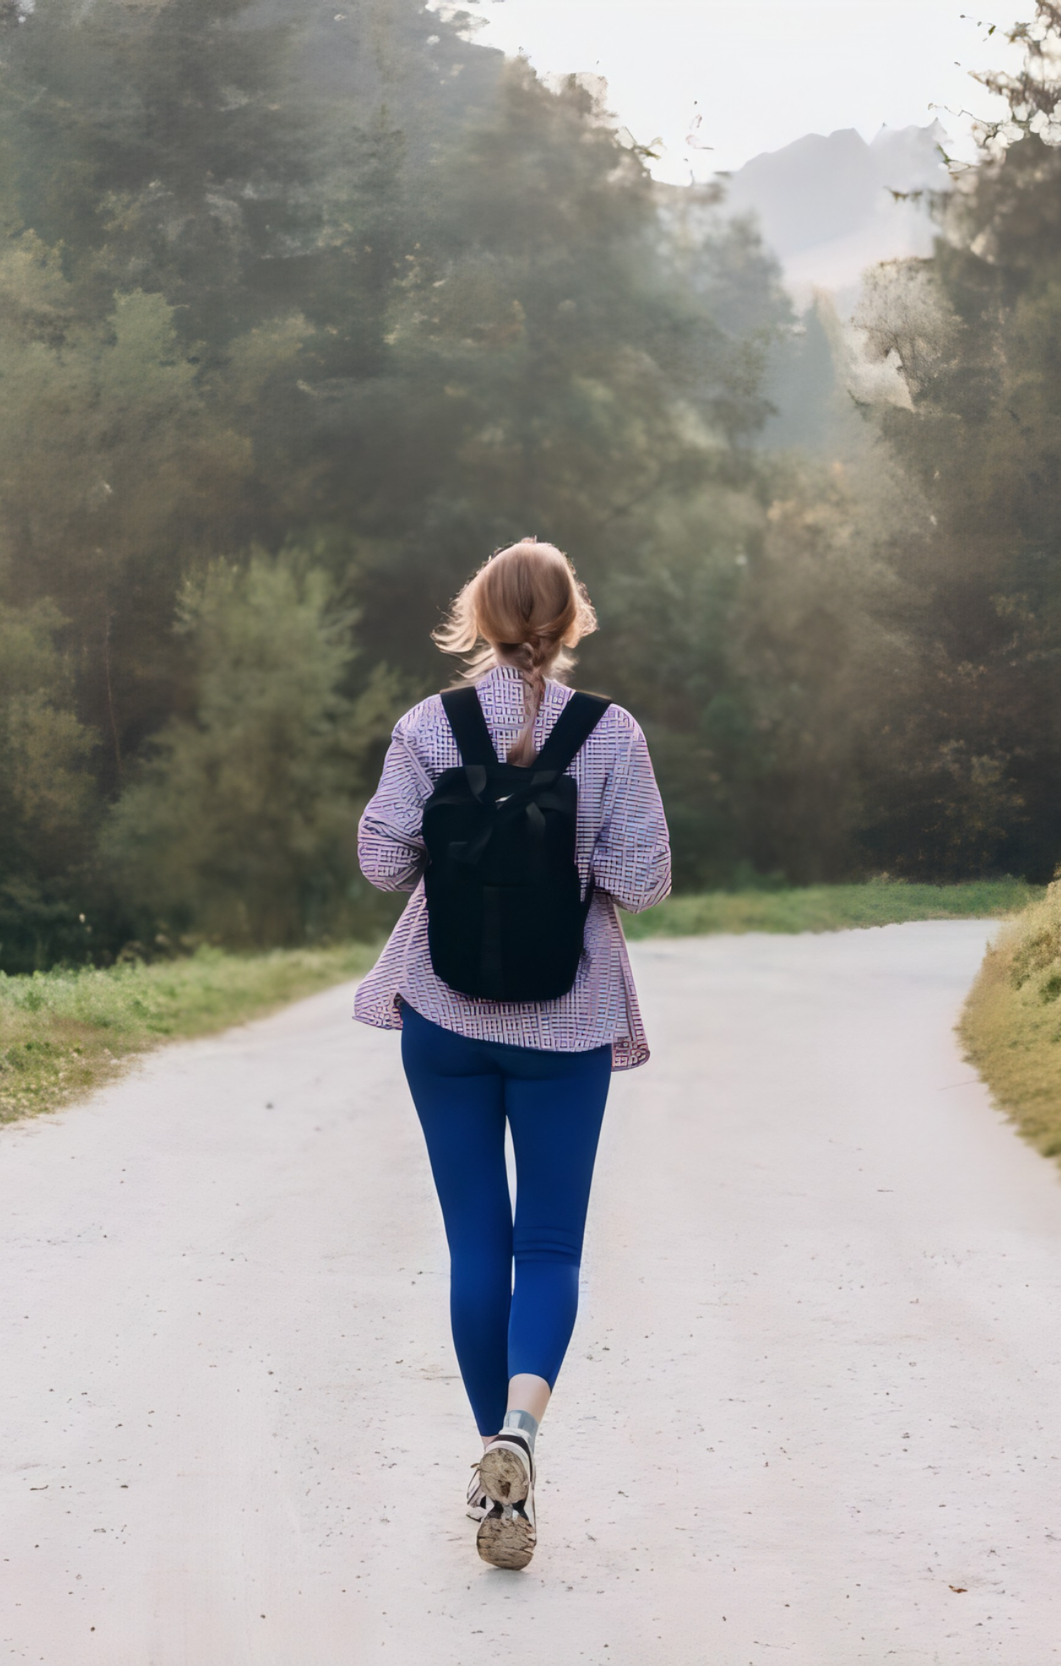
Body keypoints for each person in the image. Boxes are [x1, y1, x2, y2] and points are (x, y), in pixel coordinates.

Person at [353, 539, 672, 1571]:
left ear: (477, 620)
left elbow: (378, 859)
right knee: (549, 1249)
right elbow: (643, 877)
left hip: (443, 1018)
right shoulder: (610, 734)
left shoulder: (426, 728)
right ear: (572, 619)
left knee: (475, 1247)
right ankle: (521, 1433)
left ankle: (495, 1491)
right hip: (567, 1020)